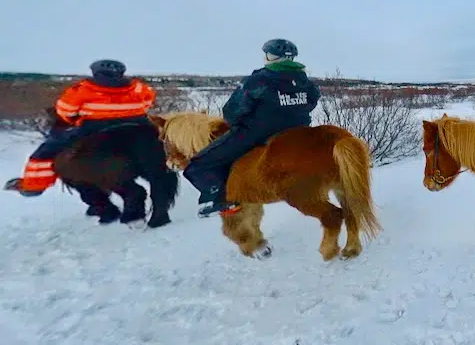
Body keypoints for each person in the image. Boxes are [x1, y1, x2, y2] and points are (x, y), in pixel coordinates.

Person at [183, 39, 320, 216]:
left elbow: (233, 110)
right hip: (298, 133)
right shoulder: (306, 81)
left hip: (257, 133)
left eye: (267, 54)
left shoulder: (259, 80)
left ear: (272, 57)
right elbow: (313, 101)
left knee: (199, 164)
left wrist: (239, 122)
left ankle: (220, 198)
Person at [4, 60, 156, 196]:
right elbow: (148, 103)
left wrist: (74, 120)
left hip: (95, 128)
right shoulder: (138, 87)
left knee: (46, 151)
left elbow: (65, 110)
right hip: (138, 125)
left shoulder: (82, 89)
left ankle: (33, 186)